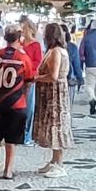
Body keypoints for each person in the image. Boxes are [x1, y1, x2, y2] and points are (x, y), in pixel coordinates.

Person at [0, 25, 35, 180]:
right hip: (16, 104)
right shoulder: (23, 58)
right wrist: (24, 96)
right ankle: (8, 170)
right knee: (11, 139)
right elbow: (29, 82)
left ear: (5, 38)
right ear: (19, 39)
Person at [32, 22, 76, 178]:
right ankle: (54, 160)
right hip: (53, 93)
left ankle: (59, 164)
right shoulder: (58, 50)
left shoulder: (56, 52)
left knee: (56, 126)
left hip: (55, 95)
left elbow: (54, 76)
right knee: (53, 125)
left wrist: (36, 78)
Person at [19, 18, 43, 145]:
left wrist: (28, 72)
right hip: (18, 79)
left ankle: (27, 134)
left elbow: (37, 62)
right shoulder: (20, 44)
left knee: (28, 107)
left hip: (29, 78)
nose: (22, 31)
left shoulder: (35, 45)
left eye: (24, 28)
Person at [79, 20, 96, 116]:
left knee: (90, 85)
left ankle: (92, 98)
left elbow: (81, 53)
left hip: (90, 65)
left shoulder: (86, 38)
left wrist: (82, 65)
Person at [65, 25, 84, 98]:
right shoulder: (72, 47)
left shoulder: (50, 47)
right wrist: (80, 78)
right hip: (69, 78)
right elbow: (76, 65)